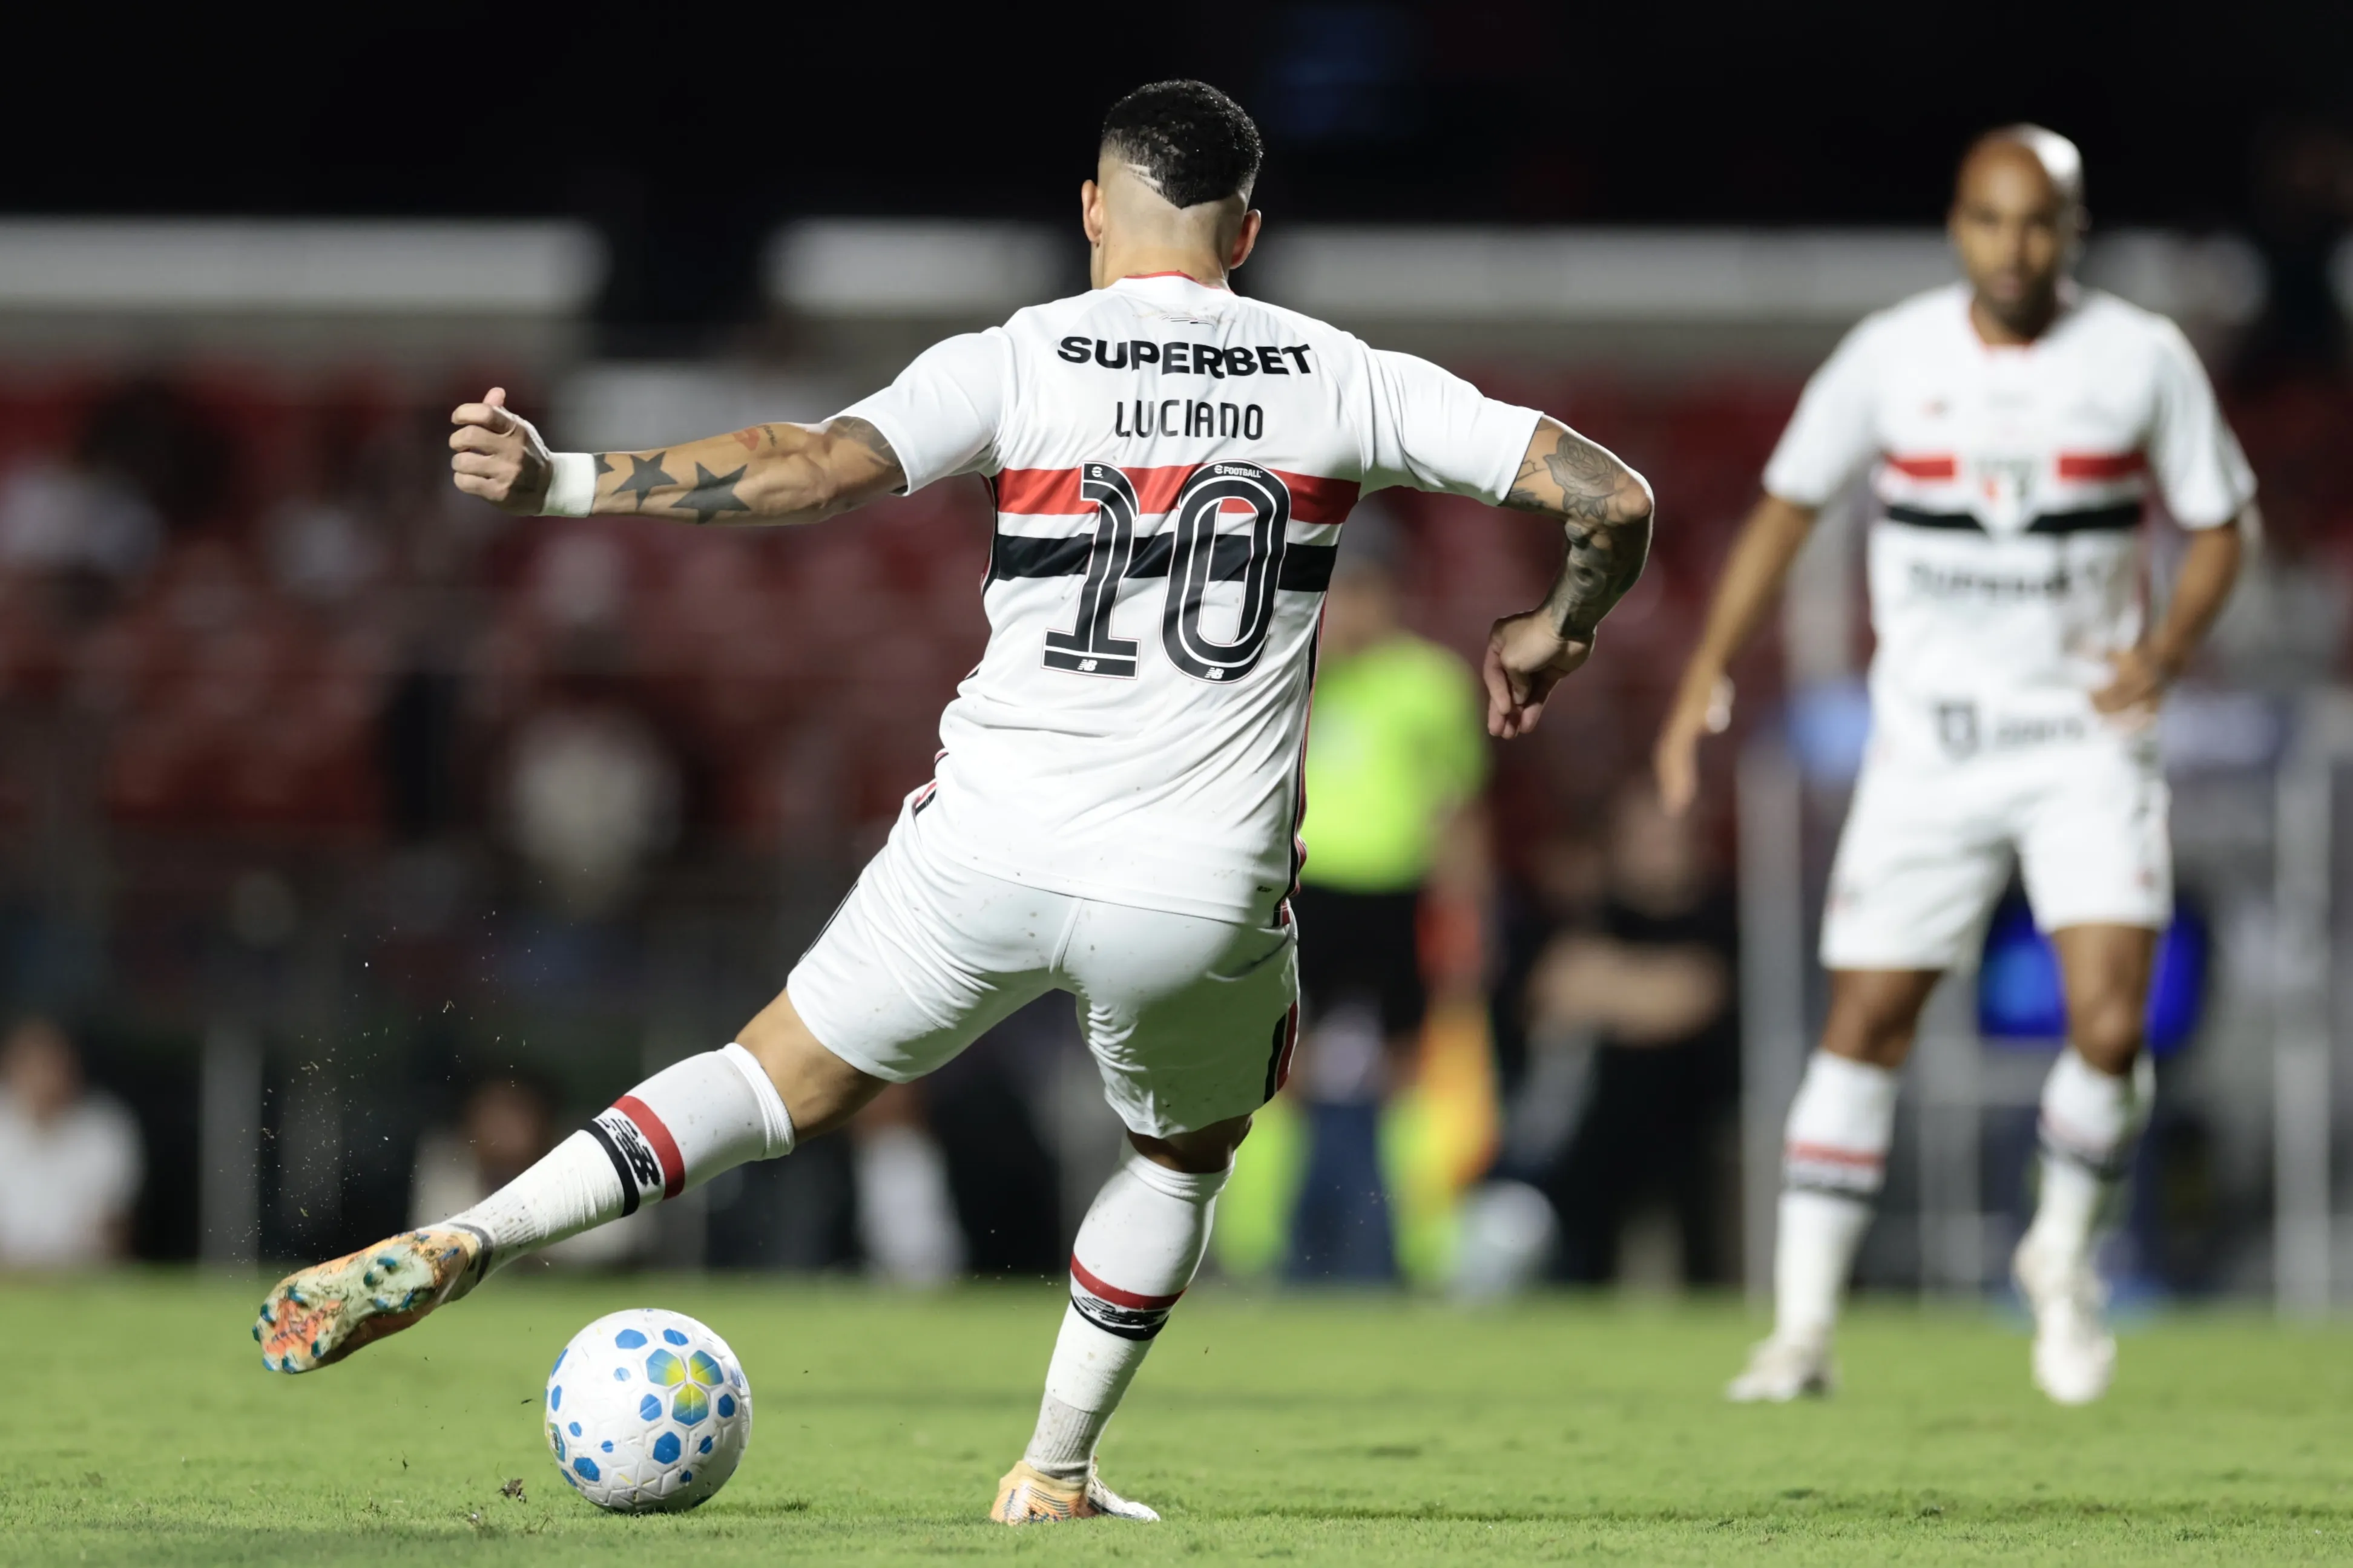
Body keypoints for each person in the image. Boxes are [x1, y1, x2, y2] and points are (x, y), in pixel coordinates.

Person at [254, 80, 1655, 1524]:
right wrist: (1556, 630)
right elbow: (1611, 499)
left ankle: (480, 1234)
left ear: (1094, 208)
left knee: (771, 1079)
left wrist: (560, 483)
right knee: (1182, 1160)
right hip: (1193, 882)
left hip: (989, 843)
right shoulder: (1342, 376)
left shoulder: (1021, 359)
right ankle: (1052, 1470)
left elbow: (802, 467)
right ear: (1247, 230)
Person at [1654, 126, 2253, 1406]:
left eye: (2036, 222)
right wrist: (1708, 661)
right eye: (1989, 220)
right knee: (1864, 1021)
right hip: (1925, 749)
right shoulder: (1888, 353)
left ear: (2072, 230)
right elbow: (1786, 502)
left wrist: (2164, 645)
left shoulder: (2138, 356)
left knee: (2106, 1022)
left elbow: (2220, 526)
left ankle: (2058, 1259)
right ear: (1955, 226)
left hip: (2082, 742)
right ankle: (1800, 1331)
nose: (2012, 245)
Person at [1286, 512, 1488, 1282]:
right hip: (1299, 894)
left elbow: (1457, 807)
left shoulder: (1428, 683)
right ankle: (1280, 1242)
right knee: (1284, 1070)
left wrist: (1465, 917)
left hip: (1394, 897)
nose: (1351, 612)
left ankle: (1396, 1239)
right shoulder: (1280, 676)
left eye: (1365, 592)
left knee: (1404, 1072)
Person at [0, 1017, 143, 1268]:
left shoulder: (105, 1128)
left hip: (80, 1276)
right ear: (10, 1066)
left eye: (51, 1065)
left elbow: (115, 1230)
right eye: (32, 1064)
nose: (42, 1076)